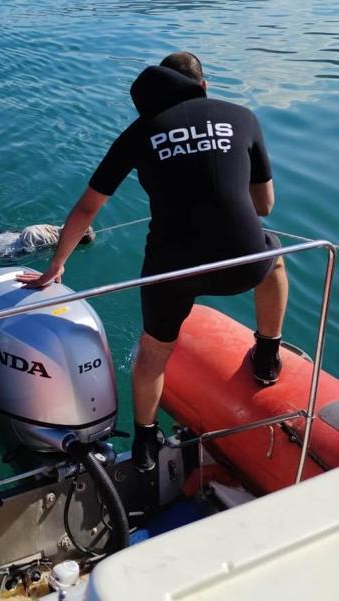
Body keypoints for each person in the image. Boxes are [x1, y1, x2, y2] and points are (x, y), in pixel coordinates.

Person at [17, 52, 289, 473]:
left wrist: (56, 266)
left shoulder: (139, 132)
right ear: (203, 86)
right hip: (243, 262)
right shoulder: (242, 116)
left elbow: (89, 207)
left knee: (154, 351)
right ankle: (268, 354)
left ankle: (145, 438)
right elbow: (265, 205)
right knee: (274, 262)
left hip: (172, 269)